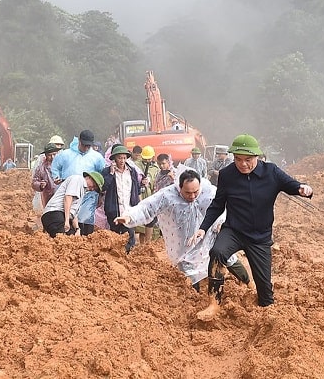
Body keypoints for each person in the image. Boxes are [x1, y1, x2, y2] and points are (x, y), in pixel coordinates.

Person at [190, 134, 313, 321]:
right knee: (218, 252)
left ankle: (267, 313)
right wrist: (203, 228)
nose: (243, 164)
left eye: (248, 160)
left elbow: (292, 185)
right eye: (238, 159)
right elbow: (217, 204)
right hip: (234, 230)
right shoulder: (227, 175)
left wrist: (302, 189)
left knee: (265, 292)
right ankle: (214, 303)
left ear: (257, 157)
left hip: (260, 237)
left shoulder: (271, 172)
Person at [114, 168, 251, 290]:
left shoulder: (209, 191)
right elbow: (147, 207)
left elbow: (226, 205)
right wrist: (129, 217)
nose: (192, 196)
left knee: (227, 257)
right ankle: (195, 297)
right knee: (188, 269)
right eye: (188, 193)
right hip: (184, 241)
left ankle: (248, 282)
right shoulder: (167, 196)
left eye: (195, 192)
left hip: (209, 233)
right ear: (180, 187)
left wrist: (222, 222)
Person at [51, 130, 106, 234]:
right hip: (69, 193)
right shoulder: (65, 154)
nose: (86, 148)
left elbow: (101, 174)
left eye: (88, 146)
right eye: (84, 145)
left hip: (89, 195)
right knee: (68, 221)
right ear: (79, 141)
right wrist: (56, 177)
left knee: (86, 222)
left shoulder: (97, 157)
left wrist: (100, 194)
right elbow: (55, 167)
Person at [101, 145, 140, 253]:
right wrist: (111, 174)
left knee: (130, 236)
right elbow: (103, 187)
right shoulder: (106, 171)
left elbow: (136, 188)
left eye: (124, 158)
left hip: (129, 209)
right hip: (114, 210)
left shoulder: (132, 171)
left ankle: (128, 257)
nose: (122, 161)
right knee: (115, 237)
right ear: (114, 159)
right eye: (119, 158)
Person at [41, 171, 104, 238]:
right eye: (94, 185)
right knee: (68, 240)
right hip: (54, 214)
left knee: (74, 239)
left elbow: (73, 213)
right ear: (89, 178)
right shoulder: (78, 179)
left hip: (59, 216)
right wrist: (67, 221)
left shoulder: (82, 191)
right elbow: (68, 197)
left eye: (95, 189)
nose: (92, 189)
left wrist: (77, 229)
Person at [137, 145, 161, 244]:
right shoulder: (136, 166)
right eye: (145, 158)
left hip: (151, 195)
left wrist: (150, 182)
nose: (147, 161)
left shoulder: (156, 168)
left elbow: (158, 181)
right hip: (140, 196)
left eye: (149, 158)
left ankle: (151, 243)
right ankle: (141, 244)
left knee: (152, 220)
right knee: (140, 222)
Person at [32, 143, 62, 208]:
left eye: (54, 154)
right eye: (49, 155)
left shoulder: (63, 165)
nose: (52, 157)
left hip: (62, 196)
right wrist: (40, 185)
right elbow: (34, 182)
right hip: (48, 197)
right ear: (45, 155)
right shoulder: (41, 168)